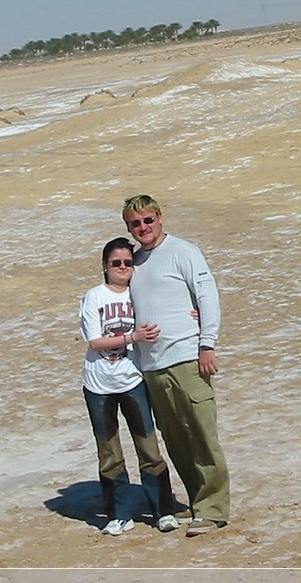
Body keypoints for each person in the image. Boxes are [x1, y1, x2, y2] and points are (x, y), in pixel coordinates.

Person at [122, 194, 231, 537]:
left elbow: (206, 296)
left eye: (148, 220)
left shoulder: (183, 251)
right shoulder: (133, 263)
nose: (143, 228)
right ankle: (197, 503)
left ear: (160, 218)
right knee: (175, 439)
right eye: (136, 223)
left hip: (187, 357)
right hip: (151, 367)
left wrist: (207, 344)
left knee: (200, 433)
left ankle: (214, 508)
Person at [79, 237, 180, 536]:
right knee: (109, 452)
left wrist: (192, 314)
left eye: (127, 263)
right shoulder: (94, 297)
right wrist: (130, 338)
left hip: (133, 379)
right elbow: (96, 342)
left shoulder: (140, 294)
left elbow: (168, 309)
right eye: (116, 263)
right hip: (99, 384)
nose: (123, 268)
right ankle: (119, 513)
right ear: (105, 267)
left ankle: (162, 510)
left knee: (148, 446)